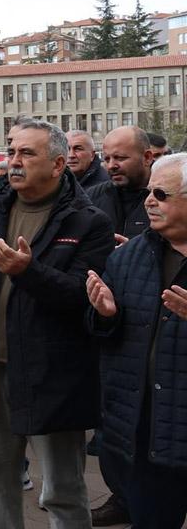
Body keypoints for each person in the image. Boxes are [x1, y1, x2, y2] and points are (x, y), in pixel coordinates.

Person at [0, 118, 113, 529]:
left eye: (27, 153)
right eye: (12, 151)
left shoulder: (88, 221)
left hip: (52, 374)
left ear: (57, 165)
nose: (14, 162)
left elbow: (81, 298)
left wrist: (28, 271)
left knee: (62, 492)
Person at [85, 152, 187, 527]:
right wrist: (104, 314)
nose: (149, 202)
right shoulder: (129, 256)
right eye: (148, 192)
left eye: (161, 194)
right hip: (145, 429)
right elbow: (105, 337)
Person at [83, 125, 153, 526]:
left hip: (152, 325)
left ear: (146, 158)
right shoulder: (94, 197)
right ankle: (121, 497)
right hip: (104, 322)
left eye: (121, 158)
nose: (112, 165)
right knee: (109, 422)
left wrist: (138, 255)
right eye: (107, 157)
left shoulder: (163, 197)